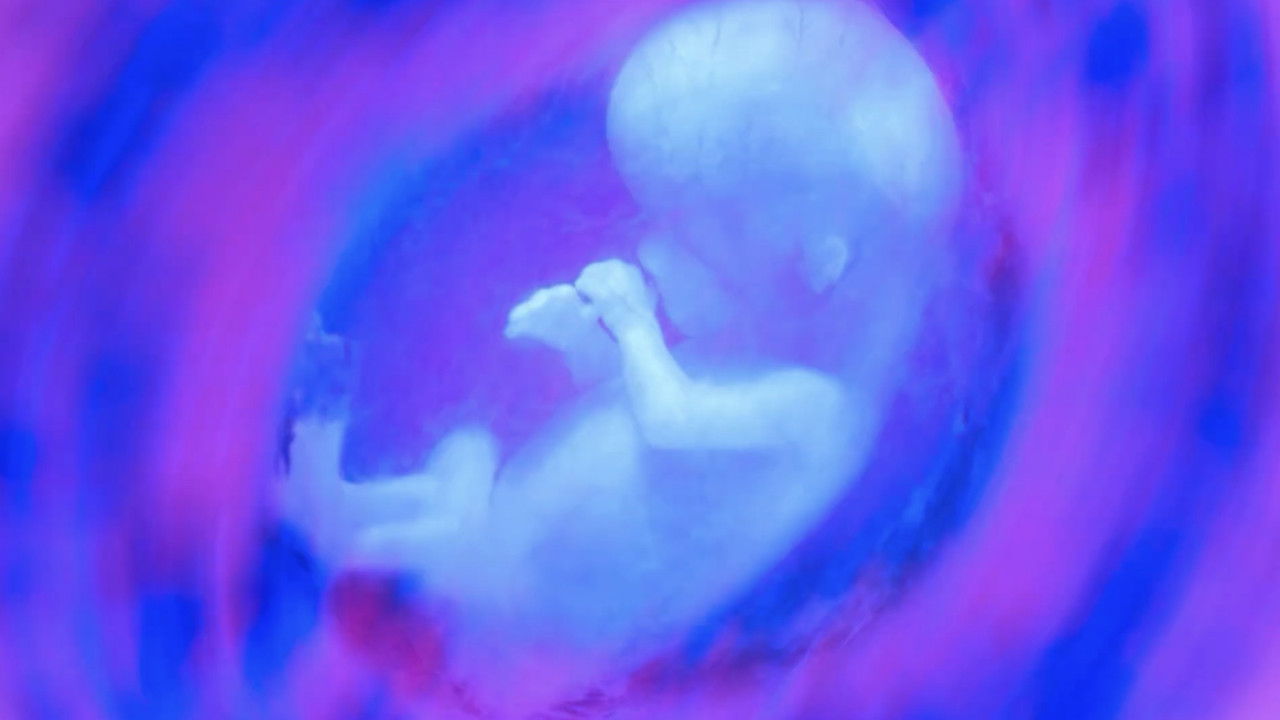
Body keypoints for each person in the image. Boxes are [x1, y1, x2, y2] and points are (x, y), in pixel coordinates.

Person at [282, 0, 962, 694]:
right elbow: (634, 408)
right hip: (535, 532)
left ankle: (336, 513)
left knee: (447, 547)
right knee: (466, 486)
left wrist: (634, 325)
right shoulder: (743, 361)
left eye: (693, 240)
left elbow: (672, 422)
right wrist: (585, 343)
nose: (655, 256)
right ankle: (338, 506)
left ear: (815, 264)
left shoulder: (815, 410)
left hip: (555, 593)